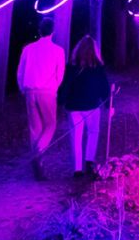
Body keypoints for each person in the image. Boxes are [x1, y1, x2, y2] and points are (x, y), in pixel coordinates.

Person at [17, 18, 65, 180]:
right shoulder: (58, 51)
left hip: (30, 90)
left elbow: (20, 71)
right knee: (50, 124)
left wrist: (23, 88)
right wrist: (54, 88)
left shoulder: (28, 49)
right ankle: (38, 155)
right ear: (53, 31)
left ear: (39, 30)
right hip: (47, 91)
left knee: (35, 128)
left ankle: (38, 161)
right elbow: (60, 74)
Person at [59, 36, 111, 179]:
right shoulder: (98, 67)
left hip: (74, 106)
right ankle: (89, 162)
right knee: (93, 133)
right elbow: (104, 87)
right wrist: (108, 104)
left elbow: (66, 85)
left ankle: (77, 169)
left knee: (76, 137)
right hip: (92, 106)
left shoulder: (72, 66)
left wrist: (61, 101)